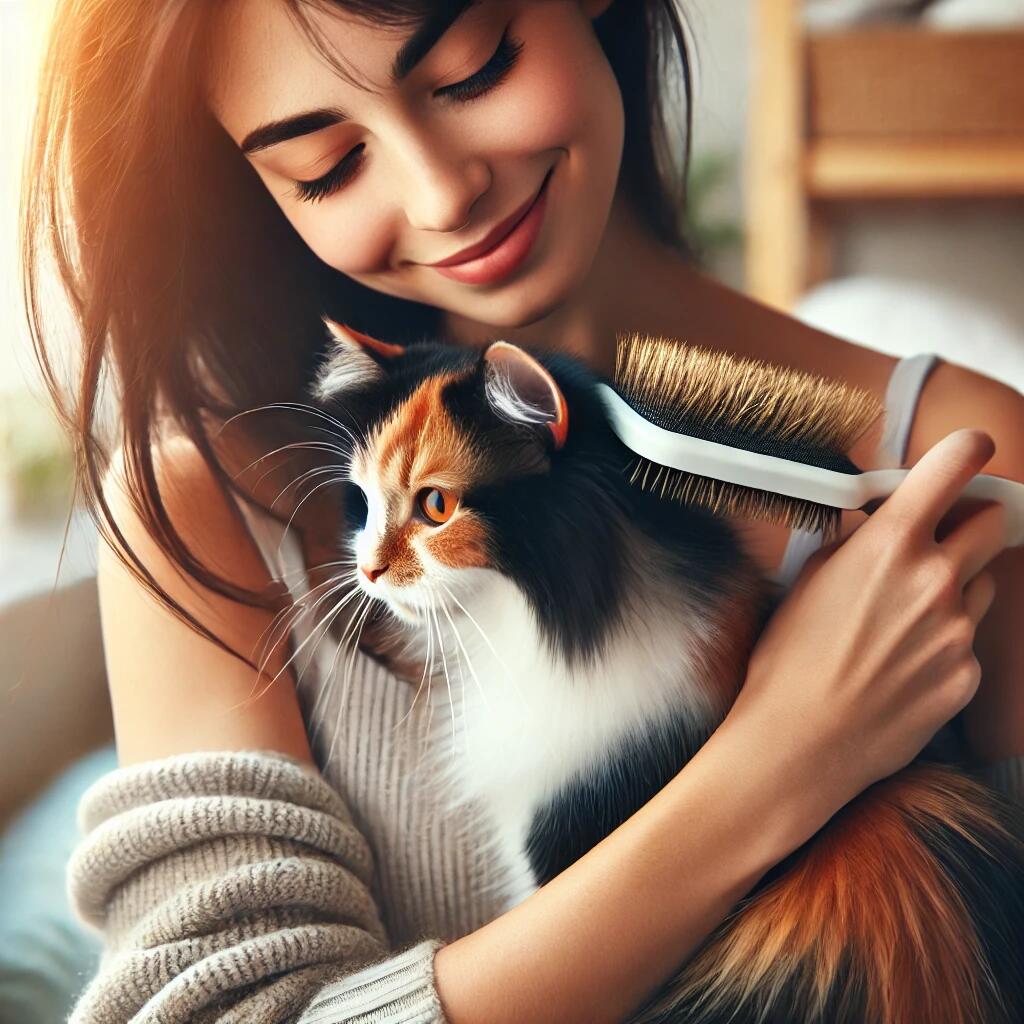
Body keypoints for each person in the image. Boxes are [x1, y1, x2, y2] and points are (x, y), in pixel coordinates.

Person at [21, 1, 1023, 1021]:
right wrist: (783, 760)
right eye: (325, 165)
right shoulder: (200, 509)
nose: (442, 194)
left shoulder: (945, 454)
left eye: (473, 69)